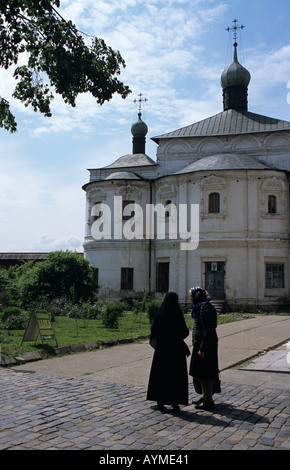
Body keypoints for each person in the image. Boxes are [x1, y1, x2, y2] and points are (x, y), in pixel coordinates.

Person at [146, 292, 190, 413]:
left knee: (162, 376)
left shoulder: (161, 314)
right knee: (175, 378)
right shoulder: (177, 313)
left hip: (162, 351)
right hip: (175, 352)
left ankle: (160, 401)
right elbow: (184, 332)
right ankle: (175, 403)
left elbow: (154, 331)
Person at [189, 287, 220, 410]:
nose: (190, 298)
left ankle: (209, 400)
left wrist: (202, 348)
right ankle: (204, 396)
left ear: (197, 297)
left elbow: (208, 330)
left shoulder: (204, 308)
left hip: (206, 345)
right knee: (201, 373)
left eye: (191, 296)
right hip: (202, 344)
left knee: (207, 373)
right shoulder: (201, 307)